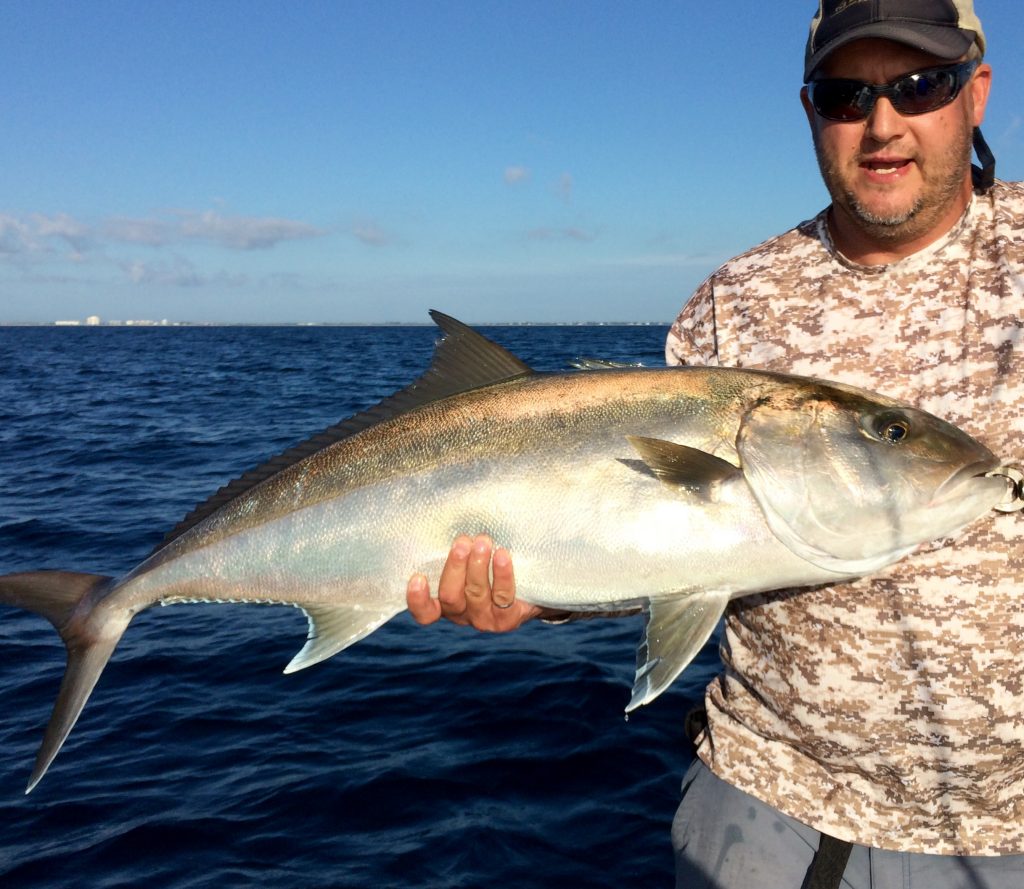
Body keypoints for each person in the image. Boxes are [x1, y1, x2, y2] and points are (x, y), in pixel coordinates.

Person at [407, 1, 1024, 886]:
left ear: (977, 93)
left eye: (919, 85)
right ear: (810, 110)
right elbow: (656, 538)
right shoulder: (732, 302)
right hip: (771, 816)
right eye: (847, 94)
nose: (882, 123)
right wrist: (536, 594)